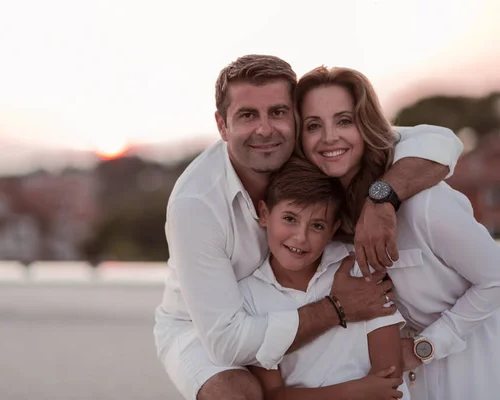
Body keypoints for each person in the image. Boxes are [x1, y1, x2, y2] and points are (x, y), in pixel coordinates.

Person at [154, 54, 463, 400]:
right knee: (236, 394)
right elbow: (227, 343)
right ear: (222, 126)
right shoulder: (196, 204)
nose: (265, 129)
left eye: (278, 112)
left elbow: (441, 142)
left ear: (297, 118)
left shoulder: (311, 150)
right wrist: (337, 308)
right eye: (247, 115)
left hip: (296, 298)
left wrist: (382, 199)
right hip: (205, 327)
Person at [295, 65, 500, 400]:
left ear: (365, 125)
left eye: (344, 120)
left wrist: (425, 347)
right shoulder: (324, 223)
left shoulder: (424, 204)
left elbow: (496, 277)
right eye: (313, 125)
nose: (329, 136)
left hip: (475, 373)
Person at [240, 157, 409, 400]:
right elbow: (272, 396)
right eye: (290, 219)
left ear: (333, 229)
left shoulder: (358, 268)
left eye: (317, 225)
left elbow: (388, 377)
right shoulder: (248, 296)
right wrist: (357, 391)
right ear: (264, 214)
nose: (300, 237)